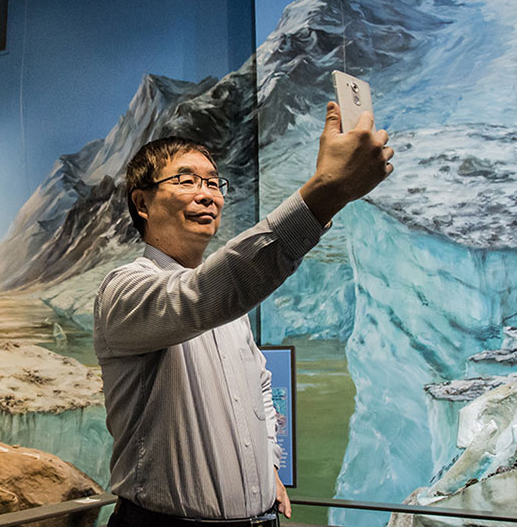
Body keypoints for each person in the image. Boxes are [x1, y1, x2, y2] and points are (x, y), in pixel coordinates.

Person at [94, 103, 393, 526]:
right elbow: (198, 296)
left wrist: (268, 463)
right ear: (142, 203)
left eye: (214, 182)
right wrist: (326, 192)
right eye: (186, 180)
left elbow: (261, 385)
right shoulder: (124, 291)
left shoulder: (228, 309)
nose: (207, 193)